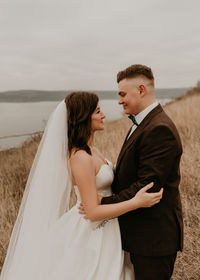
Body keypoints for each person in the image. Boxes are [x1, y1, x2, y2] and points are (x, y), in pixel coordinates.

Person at [0, 91, 163, 280]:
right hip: (93, 232)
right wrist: (136, 202)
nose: (103, 115)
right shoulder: (80, 157)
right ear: (83, 117)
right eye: (97, 112)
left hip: (111, 225)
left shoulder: (92, 150)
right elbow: (92, 212)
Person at [93, 64, 183, 280]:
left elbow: (147, 186)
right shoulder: (142, 123)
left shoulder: (159, 129)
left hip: (153, 240)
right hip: (138, 234)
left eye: (123, 94)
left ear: (141, 90)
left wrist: (102, 203)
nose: (119, 100)